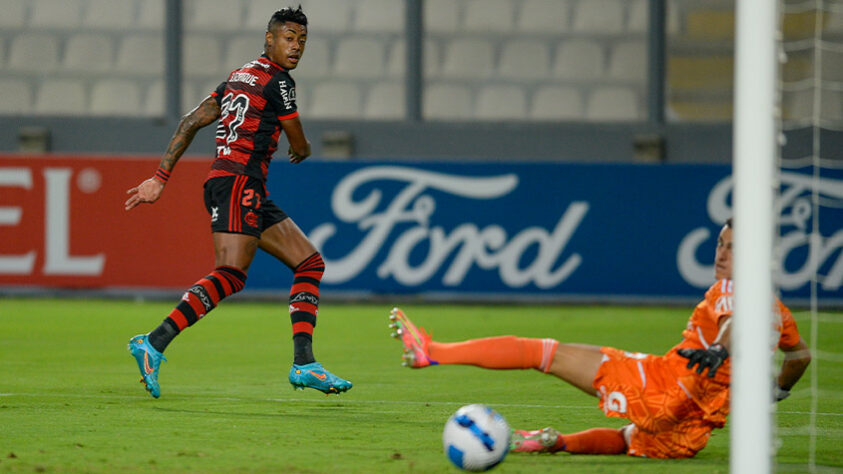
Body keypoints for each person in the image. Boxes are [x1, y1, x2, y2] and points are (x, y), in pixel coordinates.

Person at [389, 219, 811, 459]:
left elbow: (734, 320)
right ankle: (555, 442)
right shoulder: (780, 311)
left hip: (664, 384)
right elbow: (801, 356)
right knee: (630, 439)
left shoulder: (733, 289)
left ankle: (433, 352)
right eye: (720, 243)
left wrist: (720, 347)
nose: (721, 254)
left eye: (733, 248)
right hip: (692, 428)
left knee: (544, 353)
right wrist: (778, 392)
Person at [124, 6, 351, 398]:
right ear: (269, 38)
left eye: (302, 41)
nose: (296, 47)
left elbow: (190, 121)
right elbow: (297, 141)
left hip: (245, 187)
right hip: (236, 182)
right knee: (230, 273)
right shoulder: (280, 82)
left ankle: (304, 363)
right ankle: (154, 342)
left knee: (309, 263)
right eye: (289, 38)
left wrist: (161, 177)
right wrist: (305, 148)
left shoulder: (237, 76)